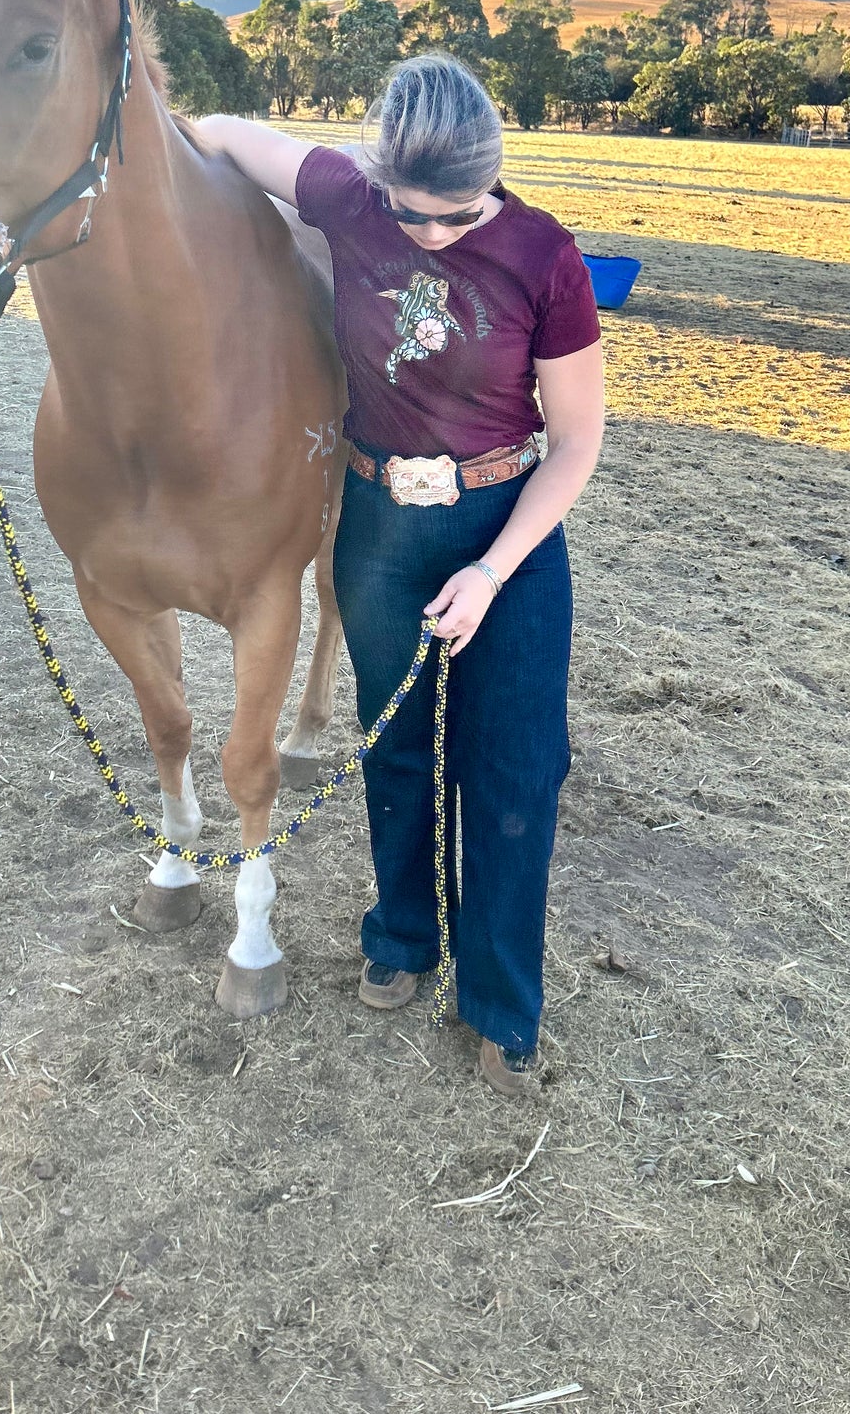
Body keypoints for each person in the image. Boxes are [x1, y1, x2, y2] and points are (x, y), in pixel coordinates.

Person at [194, 55, 604, 1097]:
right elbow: (234, 133)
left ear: (492, 181)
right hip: (377, 523)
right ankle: (401, 936)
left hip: (504, 523)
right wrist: (164, 127)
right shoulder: (348, 195)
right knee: (393, 742)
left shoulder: (541, 256)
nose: (426, 233)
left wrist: (489, 570)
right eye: (407, 215)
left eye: (452, 215)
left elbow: (574, 444)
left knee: (512, 769)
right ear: (376, 181)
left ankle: (499, 1001)